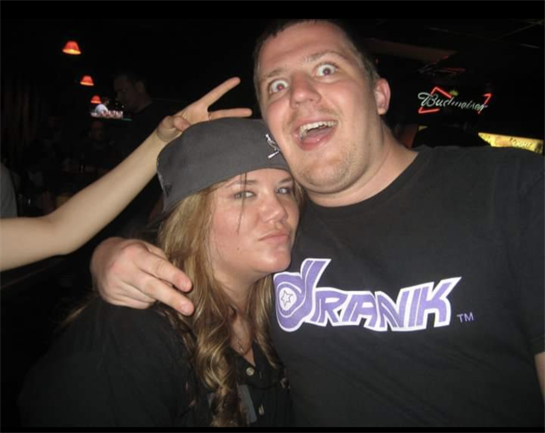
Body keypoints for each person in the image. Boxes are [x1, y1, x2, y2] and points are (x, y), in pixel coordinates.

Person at [91, 20, 545, 426]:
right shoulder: (275, 229)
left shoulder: (513, 190)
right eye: (276, 85)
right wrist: (110, 255)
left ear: (379, 94)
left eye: (326, 69)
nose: (300, 93)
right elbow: (186, 249)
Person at [19, 118, 303, 427]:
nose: (279, 210)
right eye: (244, 194)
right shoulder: (134, 334)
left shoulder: (294, 307)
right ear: (191, 216)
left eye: (284, 189)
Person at [0, 78, 251, 272]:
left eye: (123, 90)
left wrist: (161, 142)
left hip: (145, 212)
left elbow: (60, 231)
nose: (119, 97)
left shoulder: (152, 117)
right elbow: (61, 232)